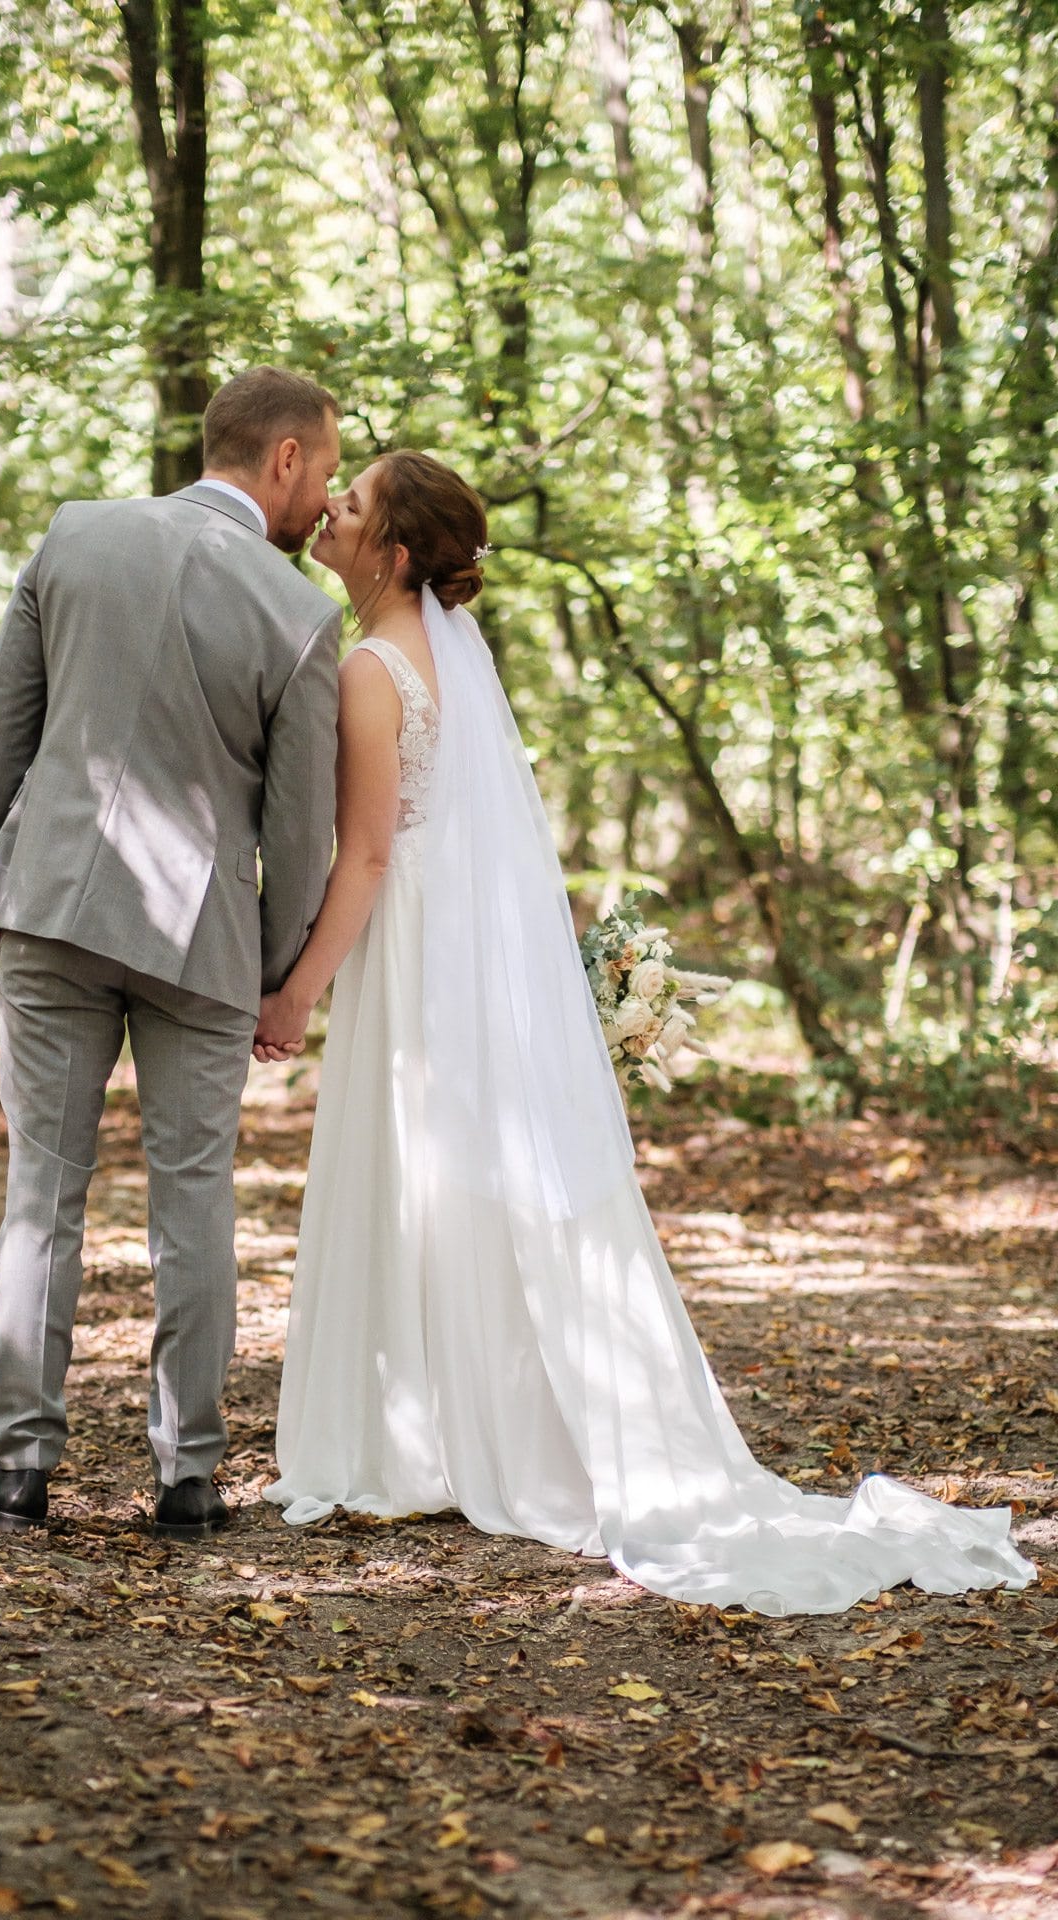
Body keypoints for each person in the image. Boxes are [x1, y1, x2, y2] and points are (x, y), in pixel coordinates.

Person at [257, 450, 1036, 1616]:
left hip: (414, 950)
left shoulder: (374, 670)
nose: (329, 508)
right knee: (451, 1176)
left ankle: (417, 1436)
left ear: (394, 551)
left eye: (352, 503)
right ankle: (453, 1423)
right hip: (455, 946)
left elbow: (365, 857)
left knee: (418, 1168)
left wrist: (295, 992)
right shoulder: (445, 660)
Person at [0, 366, 343, 1539]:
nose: (325, 498)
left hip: (54, 905)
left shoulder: (75, 538)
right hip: (201, 942)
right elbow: (299, 830)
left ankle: (20, 1462)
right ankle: (189, 1476)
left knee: (43, 1189)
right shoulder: (297, 614)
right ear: (280, 458)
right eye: (323, 470)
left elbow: (0, 732)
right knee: (193, 1200)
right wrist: (274, 974)